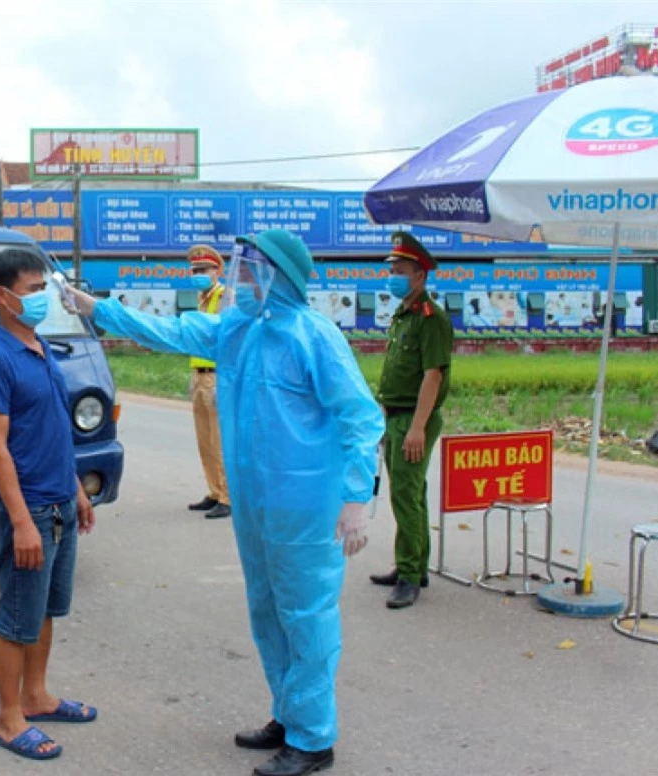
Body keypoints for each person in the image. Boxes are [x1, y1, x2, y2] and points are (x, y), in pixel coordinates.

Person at [63, 230, 383, 776]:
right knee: (268, 611)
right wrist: (99, 310)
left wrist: (357, 496)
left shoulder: (315, 336)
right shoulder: (240, 330)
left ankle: (314, 738)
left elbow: (361, 417)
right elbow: (173, 329)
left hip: (307, 504)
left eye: (251, 271)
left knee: (306, 615)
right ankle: (288, 714)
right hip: (257, 504)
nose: (241, 279)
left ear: (279, 277)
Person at [0, 248, 98, 762]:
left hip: (60, 501)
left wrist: (77, 489)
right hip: (30, 511)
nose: (44, 297)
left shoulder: (38, 346)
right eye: (33, 289)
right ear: (3, 297)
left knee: (45, 610)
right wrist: (21, 521)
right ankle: (8, 717)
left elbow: (52, 430)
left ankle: (37, 696)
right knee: (18, 615)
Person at [370, 231, 454, 609]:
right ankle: (415, 564)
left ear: (420, 275)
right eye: (392, 270)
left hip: (414, 419)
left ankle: (408, 575)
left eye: (401, 271)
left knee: (405, 495)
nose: (394, 277)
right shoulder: (404, 314)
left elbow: (432, 375)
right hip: (396, 416)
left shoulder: (430, 319)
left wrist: (417, 427)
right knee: (411, 494)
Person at [185, 244, 231, 520]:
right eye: (195, 270)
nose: (199, 274)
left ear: (217, 271)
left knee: (220, 440)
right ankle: (213, 491)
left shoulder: (226, 297)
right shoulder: (201, 299)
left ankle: (227, 496)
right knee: (204, 440)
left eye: (204, 269)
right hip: (199, 374)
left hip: (217, 376)